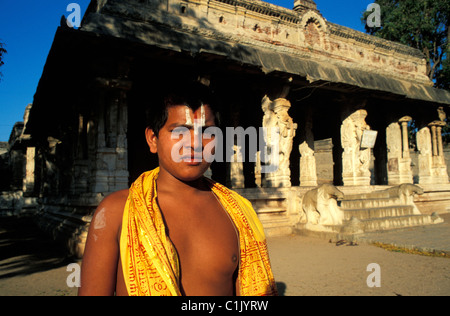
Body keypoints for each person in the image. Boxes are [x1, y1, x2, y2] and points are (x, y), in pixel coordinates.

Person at [78, 82, 278, 296]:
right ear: (153, 139)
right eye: (179, 131)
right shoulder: (116, 212)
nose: (194, 144)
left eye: (207, 132)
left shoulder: (238, 213)